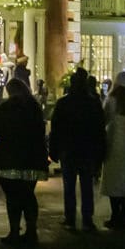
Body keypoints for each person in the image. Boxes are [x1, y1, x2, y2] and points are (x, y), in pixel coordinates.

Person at [0, 78, 49, 247]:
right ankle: (31, 230)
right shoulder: (34, 107)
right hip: (32, 158)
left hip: (9, 158)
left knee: (13, 197)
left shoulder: (7, 107)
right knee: (28, 195)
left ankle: (14, 231)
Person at [49, 68, 106, 232]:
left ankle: (70, 218)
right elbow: (99, 129)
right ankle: (87, 219)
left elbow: (56, 128)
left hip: (69, 150)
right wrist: (100, 152)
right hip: (87, 150)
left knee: (69, 186)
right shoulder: (93, 103)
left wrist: (54, 150)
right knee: (87, 186)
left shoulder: (64, 103)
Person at [101, 71, 125, 229]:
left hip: (114, 139)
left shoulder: (112, 98)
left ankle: (115, 215)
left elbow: (105, 117)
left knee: (113, 178)